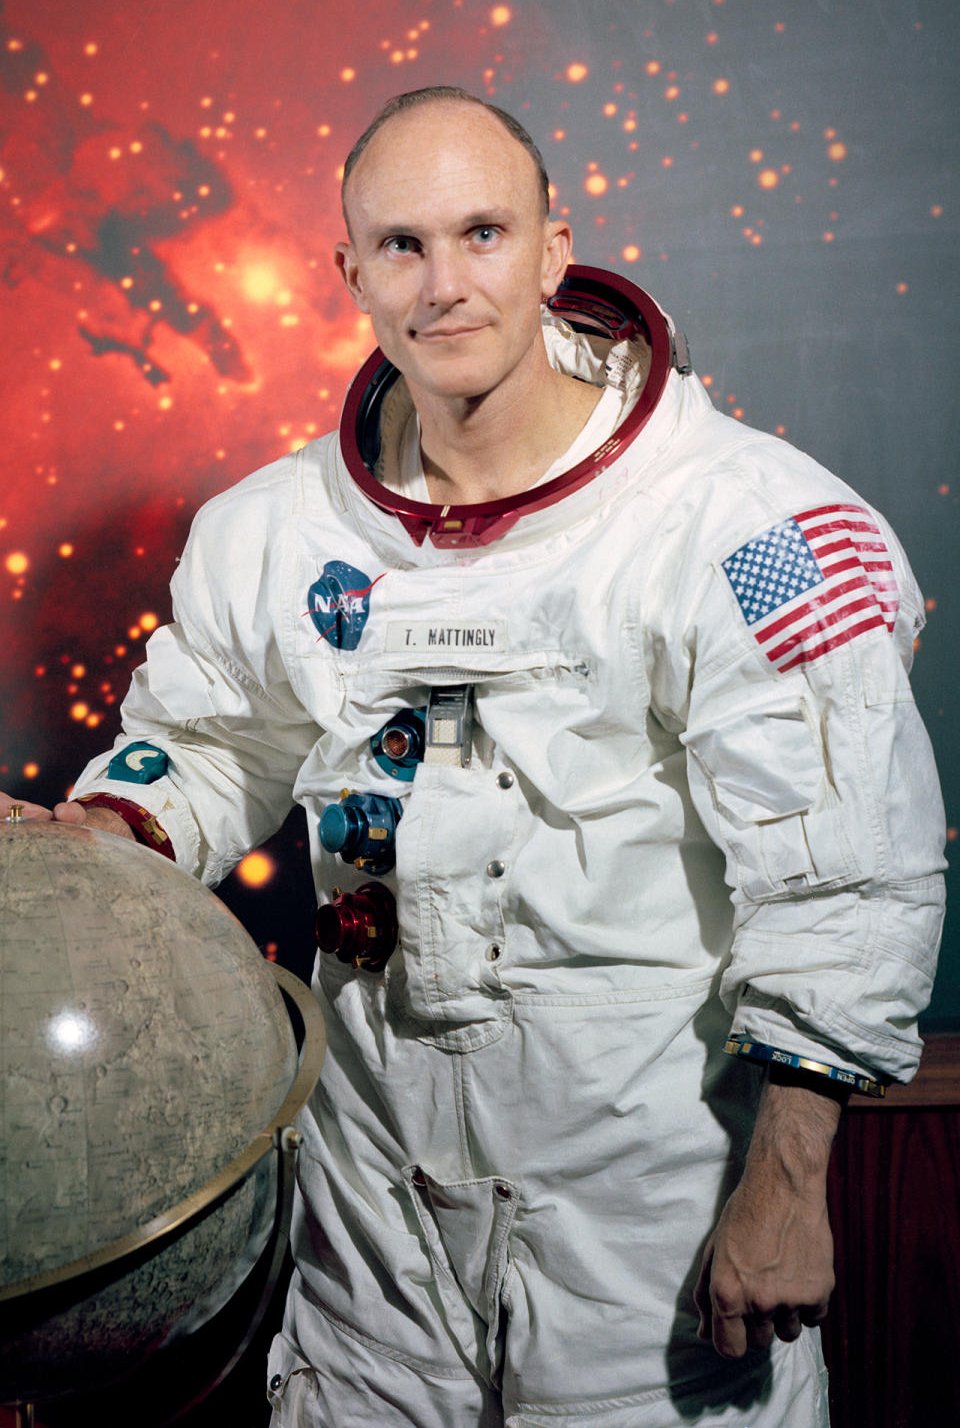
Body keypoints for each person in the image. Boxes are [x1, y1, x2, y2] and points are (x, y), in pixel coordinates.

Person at [3, 87, 945, 1428]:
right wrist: (121, 834)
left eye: (483, 233)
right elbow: (204, 744)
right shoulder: (271, 535)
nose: (444, 285)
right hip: (370, 1191)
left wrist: (791, 1180)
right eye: (401, 245)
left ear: (556, 246)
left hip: (644, 1203)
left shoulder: (748, 524)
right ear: (348, 271)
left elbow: (843, 876)